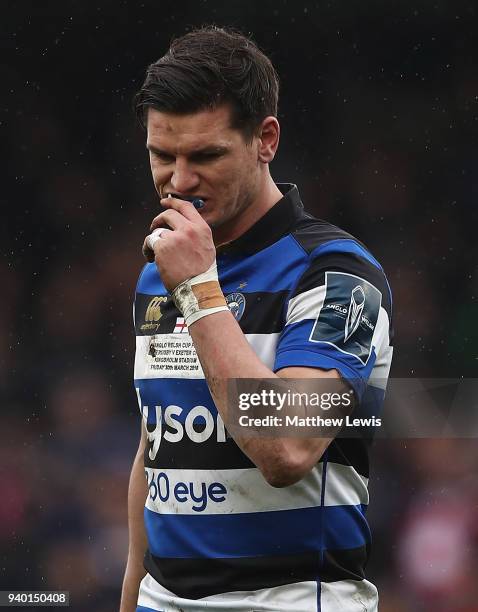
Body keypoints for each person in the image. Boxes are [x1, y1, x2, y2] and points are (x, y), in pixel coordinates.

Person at [120, 26, 393, 612]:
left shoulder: (337, 274)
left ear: (265, 139)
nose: (180, 181)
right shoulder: (158, 274)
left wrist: (198, 290)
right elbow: (157, 453)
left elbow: (286, 449)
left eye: (206, 155)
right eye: (161, 156)